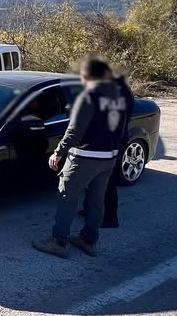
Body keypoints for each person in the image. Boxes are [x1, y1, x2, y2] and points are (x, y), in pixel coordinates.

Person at [33, 56, 126, 259]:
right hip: (108, 158)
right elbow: (122, 128)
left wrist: (58, 152)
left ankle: (58, 242)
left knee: (66, 196)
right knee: (96, 201)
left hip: (85, 157)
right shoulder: (119, 95)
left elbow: (74, 130)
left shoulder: (88, 96)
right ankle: (89, 240)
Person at [102, 71, 135, 229]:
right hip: (114, 140)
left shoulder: (119, 94)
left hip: (114, 143)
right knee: (97, 180)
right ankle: (91, 210)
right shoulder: (121, 90)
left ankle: (111, 218)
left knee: (108, 180)